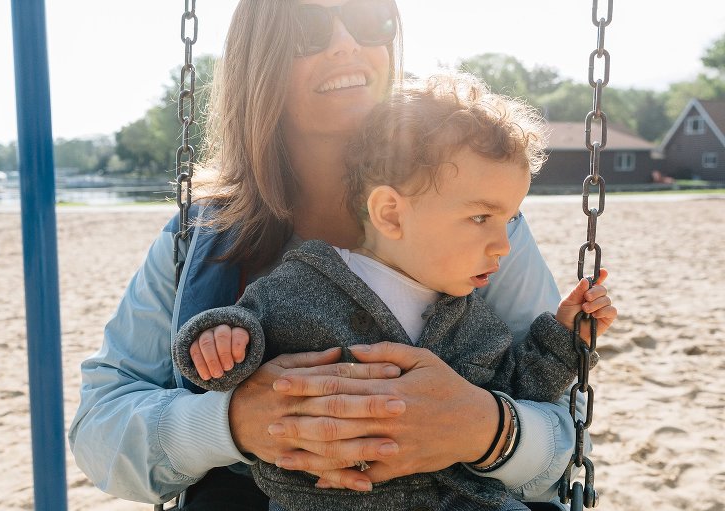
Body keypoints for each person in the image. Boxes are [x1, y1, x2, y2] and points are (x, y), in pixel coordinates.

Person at [69, 1, 599, 509]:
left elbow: (565, 434)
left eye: (370, 19)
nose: (347, 45)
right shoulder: (204, 235)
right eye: (308, 28)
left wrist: (484, 429)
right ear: (260, 58)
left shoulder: (476, 226)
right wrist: (233, 423)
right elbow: (100, 427)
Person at [171, 75, 615, 511]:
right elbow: (240, 346)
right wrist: (223, 340)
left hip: (457, 499)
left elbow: (519, 385)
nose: (504, 244)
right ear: (390, 213)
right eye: (482, 218)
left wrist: (564, 337)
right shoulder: (305, 284)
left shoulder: (471, 321)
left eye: (509, 219)